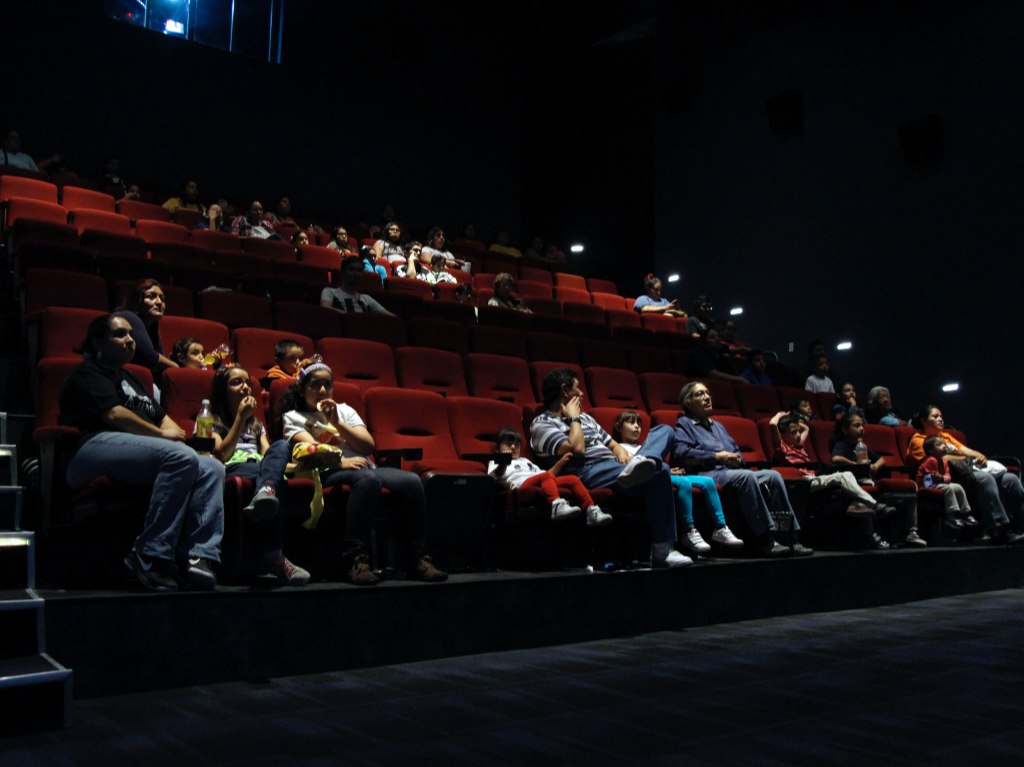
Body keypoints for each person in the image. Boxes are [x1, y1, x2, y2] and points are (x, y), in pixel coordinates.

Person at [59, 314, 224, 591]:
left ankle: (199, 556)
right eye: (120, 334)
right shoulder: (89, 371)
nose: (129, 340)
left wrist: (176, 437)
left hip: (139, 449)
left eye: (132, 335)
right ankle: (150, 556)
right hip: (93, 447)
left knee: (212, 467)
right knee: (181, 457)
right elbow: (114, 414)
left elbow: (162, 418)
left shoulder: (131, 378)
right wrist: (165, 437)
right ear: (99, 341)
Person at [281, 362, 448, 584]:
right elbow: (314, 451)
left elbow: (368, 446)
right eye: (315, 385)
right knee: (367, 480)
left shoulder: (344, 410)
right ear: (302, 390)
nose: (322, 391)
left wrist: (336, 422)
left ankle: (417, 558)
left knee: (411, 481)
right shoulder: (293, 417)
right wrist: (342, 462)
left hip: (362, 466)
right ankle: (355, 559)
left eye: (327, 385)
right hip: (324, 471)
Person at [529, 368, 692, 568]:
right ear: (564, 390)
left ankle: (642, 463)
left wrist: (626, 457)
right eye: (577, 389)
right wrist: (573, 419)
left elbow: (613, 445)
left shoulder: (588, 418)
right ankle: (663, 549)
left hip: (615, 469)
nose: (581, 394)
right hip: (587, 471)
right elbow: (577, 449)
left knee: (665, 430)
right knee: (662, 470)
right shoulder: (541, 424)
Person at [672, 381, 813, 557]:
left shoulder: (718, 426)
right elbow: (681, 453)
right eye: (700, 394)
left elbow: (736, 450)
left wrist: (738, 459)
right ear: (688, 403)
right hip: (708, 473)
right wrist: (717, 457)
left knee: (773, 476)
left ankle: (789, 536)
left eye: (708, 393)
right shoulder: (684, 424)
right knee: (747, 477)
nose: (707, 397)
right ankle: (764, 538)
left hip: (731, 471)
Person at [207, 364, 309, 584]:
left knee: (281, 446)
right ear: (223, 390)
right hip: (234, 467)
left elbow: (269, 455)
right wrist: (240, 418)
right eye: (236, 382)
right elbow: (221, 454)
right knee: (269, 478)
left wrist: (306, 466)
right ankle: (275, 556)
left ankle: (266, 490)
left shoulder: (256, 424)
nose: (245, 387)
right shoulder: (213, 419)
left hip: (262, 470)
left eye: (247, 382)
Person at [769, 412, 927, 549]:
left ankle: (866, 507)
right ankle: (874, 506)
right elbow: (772, 425)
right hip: (802, 482)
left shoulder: (799, 446)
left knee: (849, 477)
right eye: (793, 432)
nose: (798, 435)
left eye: (798, 432)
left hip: (815, 478)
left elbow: (807, 428)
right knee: (844, 475)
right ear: (783, 436)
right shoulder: (782, 448)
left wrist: (796, 421)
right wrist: (781, 416)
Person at [614, 411, 743, 556]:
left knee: (708, 482)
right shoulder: (618, 448)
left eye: (639, 423)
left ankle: (721, 527)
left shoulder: (646, 446)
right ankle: (688, 530)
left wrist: (668, 469)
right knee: (684, 483)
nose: (637, 427)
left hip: (663, 474)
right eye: (631, 423)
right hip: (652, 479)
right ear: (619, 427)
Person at [906, 405, 1024, 544]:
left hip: (965, 471)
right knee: (985, 479)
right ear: (923, 421)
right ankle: (1000, 529)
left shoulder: (945, 436)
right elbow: (938, 460)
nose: (940, 419)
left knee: (1010, 479)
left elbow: (969, 452)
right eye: (935, 416)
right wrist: (964, 458)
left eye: (941, 416)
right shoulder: (919, 440)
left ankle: (1021, 525)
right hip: (947, 477)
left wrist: (979, 457)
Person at [830, 413, 924, 548]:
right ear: (845, 430)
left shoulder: (862, 445)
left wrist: (875, 466)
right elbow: (836, 459)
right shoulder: (842, 444)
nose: (861, 428)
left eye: (862, 425)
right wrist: (855, 463)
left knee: (911, 490)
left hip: (868, 480)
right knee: (865, 493)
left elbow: (882, 459)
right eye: (856, 426)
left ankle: (911, 533)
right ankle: (871, 536)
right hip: (853, 482)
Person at [488, 428, 612, 526]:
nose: (513, 447)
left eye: (516, 444)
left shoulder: (525, 460)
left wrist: (560, 463)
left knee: (572, 479)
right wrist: (503, 461)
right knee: (545, 476)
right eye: (508, 444)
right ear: (498, 447)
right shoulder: (495, 461)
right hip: (522, 486)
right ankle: (556, 506)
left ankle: (591, 511)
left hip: (540, 479)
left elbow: (548, 475)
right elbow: (493, 476)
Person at [113, 278, 178, 378]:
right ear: (136, 300)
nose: (159, 302)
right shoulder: (129, 317)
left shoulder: (152, 326)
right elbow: (151, 358)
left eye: (162, 298)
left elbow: (160, 356)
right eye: (151, 296)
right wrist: (177, 368)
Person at [916, 435, 978, 531]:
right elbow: (929, 479)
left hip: (939, 483)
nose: (944, 446)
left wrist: (941, 478)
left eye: (944, 444)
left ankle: (966, 513)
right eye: (939, 445)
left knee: (958, 487)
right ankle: (951, 516)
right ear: (931, 450)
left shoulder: (944, 461)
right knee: (948, 488)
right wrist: (939, 478)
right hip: (926, 485)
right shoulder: (931, 460)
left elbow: (948, 476)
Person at [321, 256, 395, 315]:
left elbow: (391, 317)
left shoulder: (366, 298)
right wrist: (353, 318)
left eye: (359, 270)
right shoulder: (329, 291)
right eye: (351, 269)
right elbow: (325, 308)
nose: (356, 273)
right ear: (343, 272)